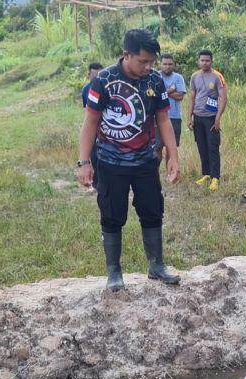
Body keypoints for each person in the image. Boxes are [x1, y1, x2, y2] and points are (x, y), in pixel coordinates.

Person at [76, 28, 181, 292]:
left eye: (151, 62)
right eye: (143, 61)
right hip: (110, 163)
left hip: (146, 161)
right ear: (127, 55)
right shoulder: (104, 81)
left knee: (152, 210)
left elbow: (164, 120)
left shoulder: (155, 81)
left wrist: (173, 155)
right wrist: (84, 162)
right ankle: (114, 272)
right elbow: (90, 122)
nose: (148, 67)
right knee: (112, 215)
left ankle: (156, 266)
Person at [188, 49, 226, 190]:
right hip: (198, 117)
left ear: (212, 61)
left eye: (207, 60)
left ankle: (215, 178)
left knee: (213, 148)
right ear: (198, 61)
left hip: (211, 118)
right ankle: (206, 175)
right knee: (202, 148)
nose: (204, 63)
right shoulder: (194, 77)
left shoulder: (217, 77)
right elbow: (192, 98)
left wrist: (218, 118)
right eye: (202, 60)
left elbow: (223, 98)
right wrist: (189, 117)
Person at [156, 55, 187, 171]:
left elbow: (180, 97)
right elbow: (154, 95)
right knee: (157, 147)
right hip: (157, 117)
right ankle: (155, 173)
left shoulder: (178, 78)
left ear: (174, 65)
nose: (167, 66)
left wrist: (162, 92)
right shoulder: (155, 76)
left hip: (174, 117)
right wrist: (170, 90)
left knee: (171, 147)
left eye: (170, 64)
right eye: (165, 64)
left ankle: (170, 172)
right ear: (160, 64)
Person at [81, 62, 104, 191]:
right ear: (89, 74)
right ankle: (96, 183)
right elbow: (87, 112)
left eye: (99, 75)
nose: (97, 78)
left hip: (106, 127)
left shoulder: (107, 87)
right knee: (93, 154)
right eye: (94, 75)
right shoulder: (85, 90)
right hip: (93, 127)